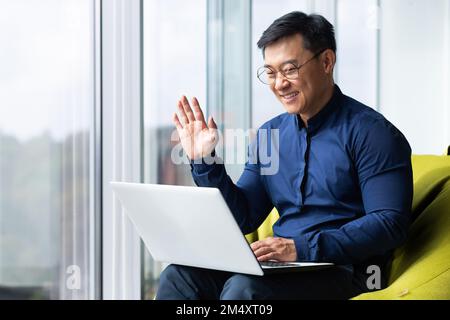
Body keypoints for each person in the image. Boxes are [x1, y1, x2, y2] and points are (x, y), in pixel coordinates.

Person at [156, 11, 413, 300]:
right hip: (283, 267)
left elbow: (390, 223)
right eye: (270, 72)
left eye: (290, 69)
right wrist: (205, 160)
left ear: (327, 61)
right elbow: (244, 217)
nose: (279, 84)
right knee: (178, 277)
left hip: (348, 271)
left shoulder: (373, 133)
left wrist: (300, 248)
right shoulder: (271, 135)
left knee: (245, 289)